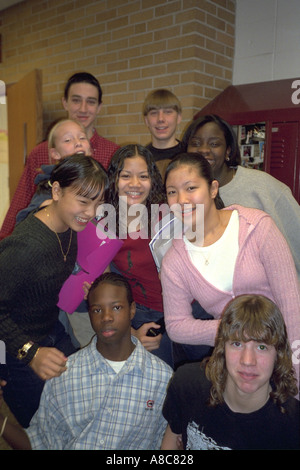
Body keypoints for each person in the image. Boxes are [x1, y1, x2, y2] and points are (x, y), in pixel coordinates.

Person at [161, 152, 300, 380]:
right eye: (172, 192)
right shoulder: (175, 260)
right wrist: (235, 331)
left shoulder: (256, 227)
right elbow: (176, 326)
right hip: (237, 365)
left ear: (213, 189)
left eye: (191, 188)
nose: (182, 200)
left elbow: (292, 305)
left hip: (283, 351)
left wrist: (295, 373)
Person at [0, 272, 173, 450]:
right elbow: (40, 443)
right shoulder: (64, 374)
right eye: (97, 310)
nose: (106, 317)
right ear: (89, 314)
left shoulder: (162, 379)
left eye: (116, 307)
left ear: (132, 310)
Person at [0, 154, 107, 428]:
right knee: (42, 429)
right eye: (83, 201)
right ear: (57, 191)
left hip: (51, 333)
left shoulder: (70, 225)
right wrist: (30, 353)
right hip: (18, 351)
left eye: (97, 203)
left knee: (81, 404)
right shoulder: (25, 246)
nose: (91, 212)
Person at [161, 294, 300, 450]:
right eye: (237, 343)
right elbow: (171, 441)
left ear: (278, 354)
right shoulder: (187, 384)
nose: (248, 360)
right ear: (222, 348)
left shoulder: (293, 425)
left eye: (262, 347)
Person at [0, 72, 119, 240]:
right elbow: (21, 201)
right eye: (76, 100)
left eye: (90, 102)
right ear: (65, 102)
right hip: (50, 241)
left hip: (95, 243)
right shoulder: (40, 152)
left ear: (99, 107)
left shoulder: (113, 153)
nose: (83, 108)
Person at [182, 114, 300, 280]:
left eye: (214, 144)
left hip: (274, 297)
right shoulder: (184, 196)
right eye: (195, 143)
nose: (203, 149)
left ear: (228, 151)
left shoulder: (262, 186)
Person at [104, 144, 173, 367]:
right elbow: (105, 288)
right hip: (146, 316)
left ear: (152, 179)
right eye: (126, 176)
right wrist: (131, 332)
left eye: (143, 176)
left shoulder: (168, 212)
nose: (135, 184)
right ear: (114, 179)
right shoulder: (105, 222)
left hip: (187, 309)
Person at [16, 118, 92, 224]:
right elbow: (23, 221)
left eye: (82, 138)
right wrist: (45, 209)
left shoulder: (97, 178)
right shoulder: (49, 185)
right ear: (55, 153)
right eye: (68, 140)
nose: (78, 143)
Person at [143, 89, 183, 178]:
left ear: (179, 118)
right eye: (154, 113)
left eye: (168, 112)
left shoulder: (189, 154)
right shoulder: (141, 158)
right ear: (146, 120)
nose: (160, 119)